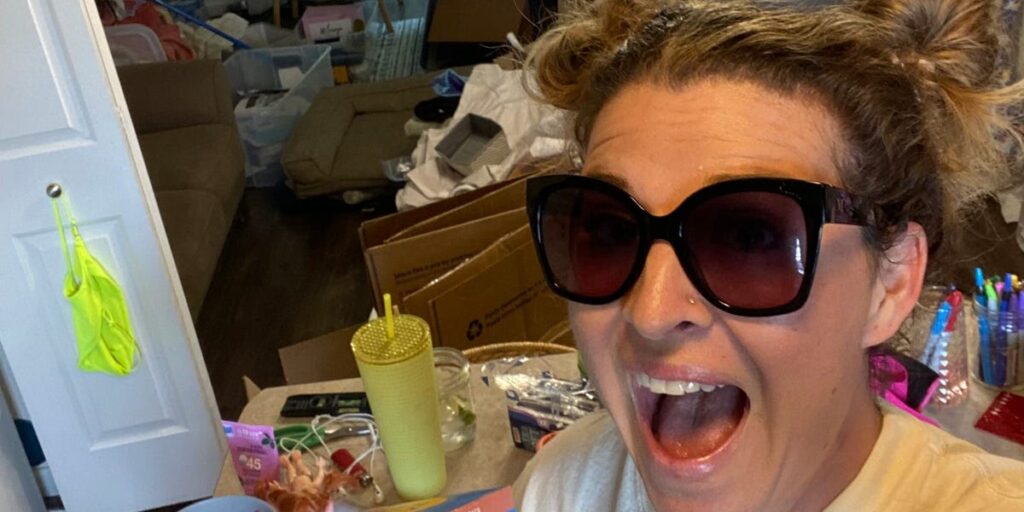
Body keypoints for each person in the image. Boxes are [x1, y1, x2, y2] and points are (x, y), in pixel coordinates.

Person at [512, 0, 1024, 510]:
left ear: (890, 283)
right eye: (610, 231)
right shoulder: (560, 488)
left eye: (749, 238)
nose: (651, 312)